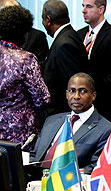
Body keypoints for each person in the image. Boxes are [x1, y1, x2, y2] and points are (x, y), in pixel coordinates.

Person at [30, 73, 111, 174]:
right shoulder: (51, 120)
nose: (76, 96)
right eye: (72, 91)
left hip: (70, 184)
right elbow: (34, 155)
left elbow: (95, 167)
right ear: (67, 94)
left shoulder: (105, 129)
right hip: (36, 181)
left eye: (83, 91)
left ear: (93, 96)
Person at [0, 5, 50, 147]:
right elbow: (42, 98)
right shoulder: (25, 59)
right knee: (18, 168)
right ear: (23, 32)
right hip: (19, 132)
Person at [77, 0, 111, 123]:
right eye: (83, 6)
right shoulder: (79, 35)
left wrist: (94, 90)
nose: (83, 10)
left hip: (105, 104)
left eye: (89, 7)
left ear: (101, 10)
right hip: (80, 104)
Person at [42, 0, 89, 116]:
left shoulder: (64, 44)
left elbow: (72, 83)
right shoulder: (69, 36)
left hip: (62, 113)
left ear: (48, 20)